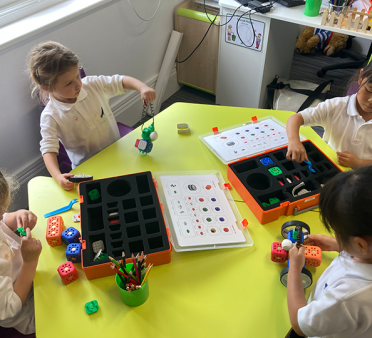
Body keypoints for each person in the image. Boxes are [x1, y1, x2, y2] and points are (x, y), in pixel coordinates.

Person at [28, 41, 156, 190]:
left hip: (117, 152)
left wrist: (142, 87)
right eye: (69, 83)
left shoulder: (92, 85)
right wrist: (57, 176)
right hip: (88, 170)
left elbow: (120, 81)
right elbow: (48, 149)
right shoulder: (50, 116)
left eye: (77, 75)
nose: (78, 84)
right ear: (47, 87)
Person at [286, 166, 372, 338]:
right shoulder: (365, 253)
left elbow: (298, 324)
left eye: (337, 233)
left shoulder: (347, 297)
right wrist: (337, 245)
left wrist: (294, 269)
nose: (336, 235)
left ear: (361, 245)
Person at [286, 65, 372, 168]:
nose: (371, 100)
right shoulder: (336, 106)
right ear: (361, 77)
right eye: (369, 90)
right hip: (332, 167)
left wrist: (360, 163)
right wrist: (294, 141)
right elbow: (295, 118)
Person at [0, 171, 41, 335]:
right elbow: (9, 308)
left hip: (34, 276)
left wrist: (13, 217)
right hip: (30, 311)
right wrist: (29, 263)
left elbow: (3, 221)